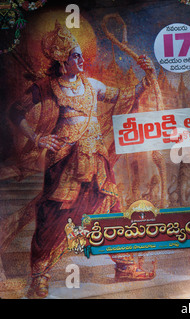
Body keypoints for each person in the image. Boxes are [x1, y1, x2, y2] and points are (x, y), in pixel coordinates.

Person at [5, 21, 158, 299]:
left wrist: (146, 78)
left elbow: (123, 96)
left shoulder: (92, 85)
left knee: (112, 207)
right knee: (54, 217)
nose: (82, 59)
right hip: (64, 163)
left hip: (97, 161)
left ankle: (123, 265)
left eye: (81, 55)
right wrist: (38, 138)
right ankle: (39, 277)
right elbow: (16, 112)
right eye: (76, 55)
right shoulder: (46, 88)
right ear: (63, 60)